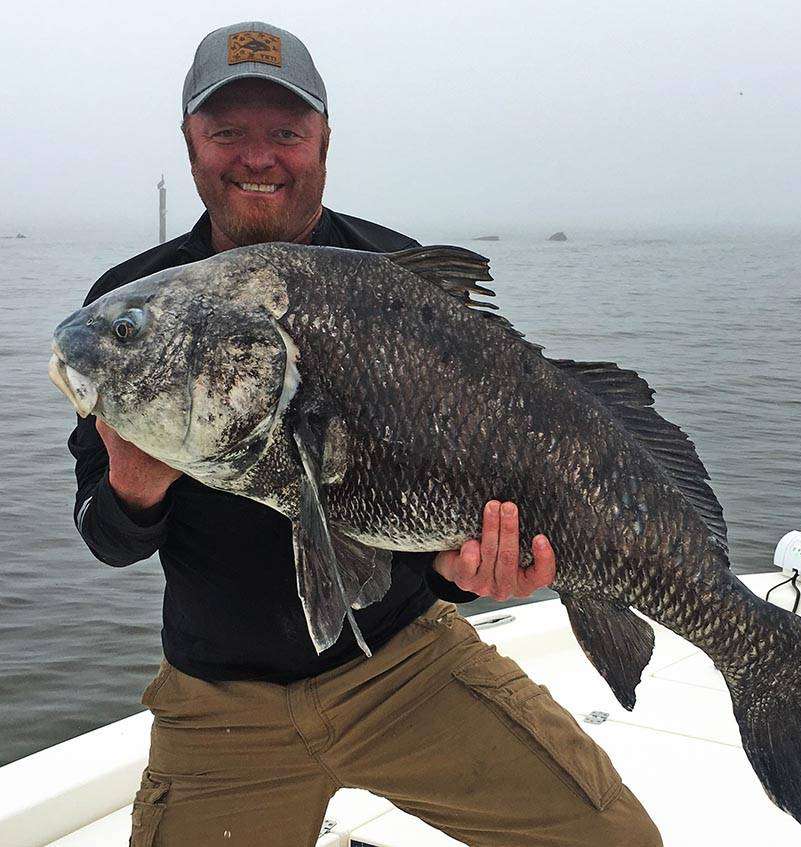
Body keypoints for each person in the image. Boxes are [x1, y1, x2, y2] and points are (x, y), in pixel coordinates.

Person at [68, 21, 661, 847]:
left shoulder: (394, 273)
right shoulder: (135, 309)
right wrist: (134, 481)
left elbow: (459, 496)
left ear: (323, 140)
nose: (257, 155)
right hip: (219, 700)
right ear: (191, 143)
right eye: (227, 130)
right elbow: (106, 539)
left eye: (286, 130)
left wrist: (467, 573)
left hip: (404, 664)